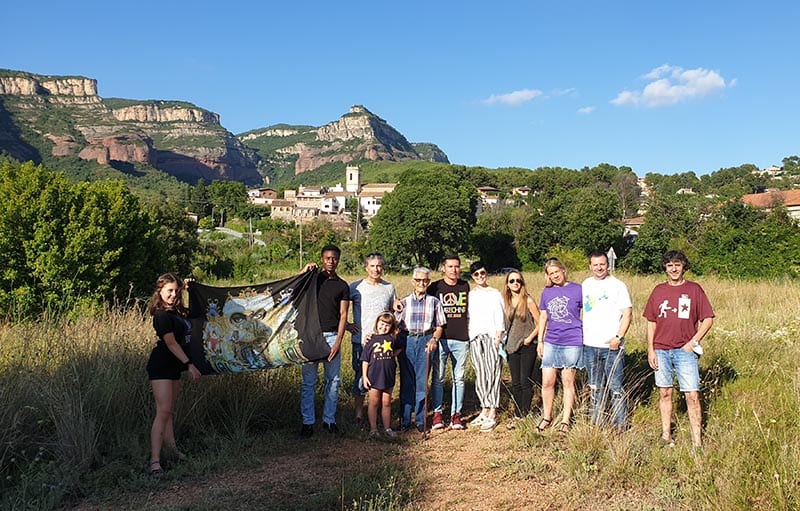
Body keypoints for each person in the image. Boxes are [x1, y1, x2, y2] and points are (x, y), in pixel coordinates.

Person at [643, 250, 714, 448]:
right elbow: (651, 322)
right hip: (661, 350)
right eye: (670, 265)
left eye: (678, 265)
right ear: (665, 268)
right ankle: (666, 435)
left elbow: (708, 318)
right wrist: (650, 349)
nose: (674, 269)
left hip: (685, 351)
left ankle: (697, 442)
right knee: (665, 392)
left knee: (692, 395)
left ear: (684, 267)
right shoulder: (658, 291)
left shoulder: (694, 289)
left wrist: (694, 341)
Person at [145, 273, 201, 477]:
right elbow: (171, 343)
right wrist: (189, 365)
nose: (173, 294)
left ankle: (173, 451)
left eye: (176, 290)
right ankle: (155, 461)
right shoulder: (161, 315)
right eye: (169, 290)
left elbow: (195, 313)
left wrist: (190, 290)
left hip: (174, 366)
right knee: (163, 411)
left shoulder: (177, 312)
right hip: (161, 366)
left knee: (169, 411)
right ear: (159, 291)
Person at [299, 245, 351, 438]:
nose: (331, 261)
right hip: (311, 337)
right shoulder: (313, 279)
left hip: (331, 336)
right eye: (327, 258)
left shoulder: (342, 285)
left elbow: (343, 314)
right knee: (308, 382)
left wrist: (338, 341)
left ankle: (329, 420)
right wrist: (304, 271)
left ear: (338, 260)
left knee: (334, 381)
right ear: (322, 259)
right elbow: (295, 287)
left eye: (334, 258)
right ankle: (307, 422)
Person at [582, 251, 633, 431]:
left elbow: (627, 313)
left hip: (612, 346)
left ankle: (620, 425)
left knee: (616, 388)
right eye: (595, 265)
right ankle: (597, 424)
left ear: (608, 264)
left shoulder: (618, 286)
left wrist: (618, 337)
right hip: (589, 346)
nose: (599, 268)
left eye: (602, 264)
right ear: (590, 266)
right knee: (595, 387)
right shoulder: (586, 284)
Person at [347, 253, 397, 423]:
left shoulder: (389, 288)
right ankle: (359, 415)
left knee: (381, 378)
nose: (376, 269)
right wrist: (347, 325)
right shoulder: (355, 287)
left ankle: (378, 415)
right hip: (361, 342)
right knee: (361, 378)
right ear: (366, 267)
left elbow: (392, 311)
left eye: (379, 266)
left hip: (383, 343)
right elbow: (339, 307)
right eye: (373, 266)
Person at [396, 267, 446, 432]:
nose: (421, 283)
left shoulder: (434, 302)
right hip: (407, 340)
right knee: (406, 381)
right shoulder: (403, 303)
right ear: (413, 281)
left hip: (426, 340)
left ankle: (420, 421)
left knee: (422, 383)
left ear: (429, 282)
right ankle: (404, 420)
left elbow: (439, 326)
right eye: (418, 280)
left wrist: (433, 339)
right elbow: (394, 325)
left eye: (425, 280)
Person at [537, 258, 583, 434]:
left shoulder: (578, 289)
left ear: (563, 270)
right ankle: (547, 417)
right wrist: (540, 340)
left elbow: (587, 311)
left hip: (572, 340)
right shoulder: (547, 292)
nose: (555, 275)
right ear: (548, 276)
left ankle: (565, 419)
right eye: (551, 273)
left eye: (557, 271)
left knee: (567, 381)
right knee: (547, 381)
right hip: (552, 340)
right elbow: (543, 317)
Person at [428, 255, 470, 430]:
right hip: (441, 339)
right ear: (443, 268)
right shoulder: (435, 287)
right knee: (438, 378)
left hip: (461, 339)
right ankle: (437, 414)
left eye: (457, 266)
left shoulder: (465, 286)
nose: (454, 270)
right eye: (450, 266)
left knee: (459, 378)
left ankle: (456, 415)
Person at [466, 262, 506, 432]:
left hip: (492, 337)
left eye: (482, 273)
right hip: (475, 337)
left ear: (486, 273)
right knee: (481, 373)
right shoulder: (471, 295)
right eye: (476, 274)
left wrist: (498, 336)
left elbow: (500, 314)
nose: (480, 276)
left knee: (493, 372)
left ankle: (493, 412)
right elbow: (468, 316)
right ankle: (484, 408)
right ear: (472, 277)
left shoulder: (495, 294)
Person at [502, 269, 541, 429]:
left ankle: (525, 414)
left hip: (527, 346)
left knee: (525, 381)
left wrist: (529, 339)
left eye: (518, 280)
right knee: (516, 383)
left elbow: (541, 323)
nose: (515, 283)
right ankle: (518, 414)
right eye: (512, 281)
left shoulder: (528, 300)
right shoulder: (506, 301)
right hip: (512, 346)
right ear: (507, 284)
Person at [361, 312, 403, 438]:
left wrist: (392, 355)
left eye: (387, 325)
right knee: (373, 402)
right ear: (377, 323)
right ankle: (373, 429)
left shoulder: (393, 339)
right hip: (374, 376)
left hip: (388, 376)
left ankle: (387, 428)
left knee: (386, 403)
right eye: (382, 323)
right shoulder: (371, 339)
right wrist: (365, 377)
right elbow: (365, 360)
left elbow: (399, 348)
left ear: (391, 327)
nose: (384, 327)